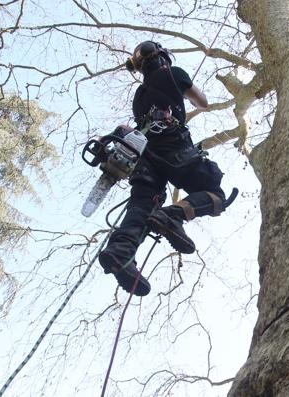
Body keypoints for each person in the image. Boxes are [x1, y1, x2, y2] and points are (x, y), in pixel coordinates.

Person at [99, 41, 226, 296]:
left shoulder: (139, 95)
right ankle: (172, 216)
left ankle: (121, 250)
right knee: (216, 195)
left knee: (144, 202)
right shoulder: (174, 73)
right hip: (174, 150)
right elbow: (203, 103)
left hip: (145, 156)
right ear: (163, 57)